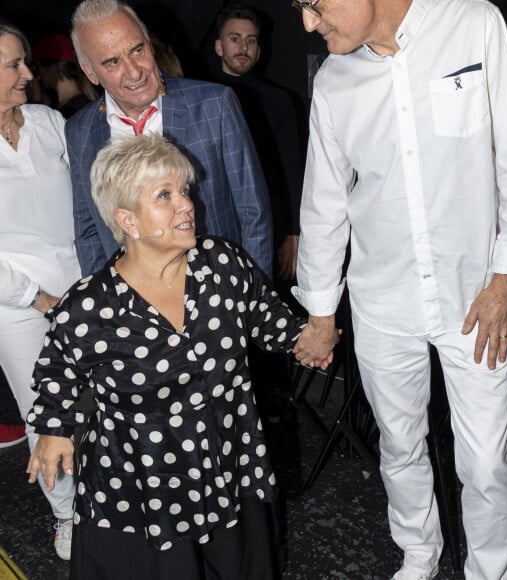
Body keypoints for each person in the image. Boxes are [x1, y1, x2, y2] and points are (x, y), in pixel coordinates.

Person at [290, 1, 507, 579]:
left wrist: (506, 280)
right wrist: (321, 310)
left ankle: (491, 572)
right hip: (382, 301)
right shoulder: (333, 79)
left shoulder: (474, 23)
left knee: (485, 464)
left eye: (314, 3)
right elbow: (324, 203)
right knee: (399, 445)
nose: (307, 23)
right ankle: (419, 554)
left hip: (476, 297)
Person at [25, 134, 336, 580]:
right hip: (142, 487)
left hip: (227, 464)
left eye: (184, 191)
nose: (186, 205)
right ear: (127, 221)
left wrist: (310, 338)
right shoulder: (91, 306)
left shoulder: (223, 265)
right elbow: (57, 367)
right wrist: (54, 429)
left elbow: (269, 319)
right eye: (164, 197)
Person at [66, 0, 273, 279]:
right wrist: (106, 307)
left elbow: (253, 213)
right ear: (90, 72)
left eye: (137, 50)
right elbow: (89, 229)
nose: (134, 71)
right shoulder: (81, 130)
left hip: (219, 294)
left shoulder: (214, 105)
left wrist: (255, 303)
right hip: (133, 307)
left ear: (150, 45)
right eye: (113, 62)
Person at [0, 21, 81, 560]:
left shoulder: (50, 121)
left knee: (104, 404)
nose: (28, 74)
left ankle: (113, 498)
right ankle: (67, 516)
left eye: (24, 61)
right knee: (46, 415)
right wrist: (38, 296)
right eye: (13, 65)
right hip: (14, 304)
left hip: (82, 286)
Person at [214, 5, 304, 287]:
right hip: (218, 226)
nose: (244, 47)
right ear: (219, 46)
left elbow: (293, 169)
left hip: (272, 225)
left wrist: (294, 233)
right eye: (235, 38)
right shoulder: (203, 97)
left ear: (259, 50)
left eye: (251, 40)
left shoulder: (279, 101)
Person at [32, 33, 99, 119]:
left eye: (38, 67)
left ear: (52, 69)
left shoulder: (65, 113)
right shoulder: (87, 102)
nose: (39, 74)